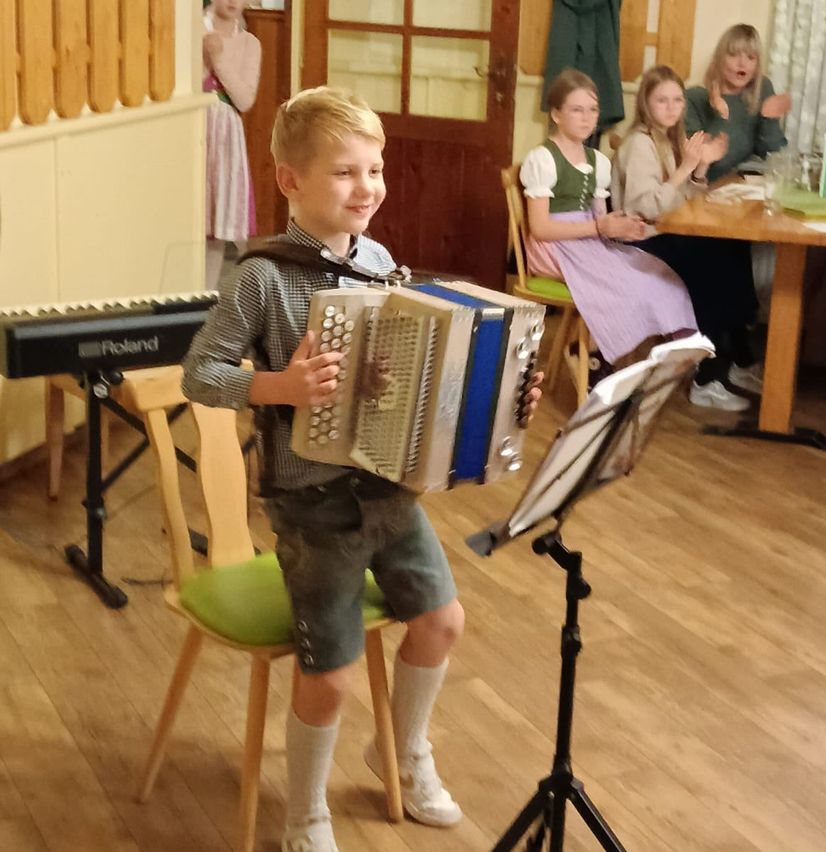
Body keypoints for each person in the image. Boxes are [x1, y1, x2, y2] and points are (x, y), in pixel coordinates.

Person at [182, 86, 542, 852]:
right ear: (289, 181)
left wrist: (505, 389)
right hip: (312, 508)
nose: (367, 187)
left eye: (373, 170)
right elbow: (201, 375)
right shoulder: (260, 276)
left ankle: (403, 750)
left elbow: (405, 371)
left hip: (387, 488)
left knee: (443, 621)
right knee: (331, 675)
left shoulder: (379, 263)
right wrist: (278, 387)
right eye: (345, 172)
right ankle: (304, 810)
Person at [520, 68, 697, 382]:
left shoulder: (596, 160)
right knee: (629, 289)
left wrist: (621, 228)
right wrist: (599, 229)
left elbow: (602, 220)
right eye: (577, 110)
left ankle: (666, 358)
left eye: (593, 110)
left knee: (662, 276)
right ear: (557, 114)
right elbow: (540, 228)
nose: (587, 118)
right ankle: (594, 359)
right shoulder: (543, 159)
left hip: (588, 241)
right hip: (553, 246)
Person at [612, 65, 763, 411]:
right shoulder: (640, 143)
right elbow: (644, 206)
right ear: (646, 105)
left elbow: (681, 202)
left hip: (662, 233)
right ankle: (707, 378)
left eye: (677, 100)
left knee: (732, 246)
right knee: (708, 264)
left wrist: (700, 169)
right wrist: (684, 170)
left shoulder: (669, 139)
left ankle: (738, 356)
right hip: (638, 243)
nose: (671, 107)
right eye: (661, 101)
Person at [203, 0, 261, 290]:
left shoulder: (250, 44)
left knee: (217, 221)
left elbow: (244, 99)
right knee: (194, 213)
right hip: (194, 128)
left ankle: (206, 298)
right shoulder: (194, 33)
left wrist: (218, 57)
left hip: (226, 133)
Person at [686, 23, 790, 181]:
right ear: (719, 59)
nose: (742, 63)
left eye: (751, 57)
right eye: (734, 55)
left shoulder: (761, 89)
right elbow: (707, 164)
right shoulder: (694, 98)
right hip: (700, 191)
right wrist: (720, 113)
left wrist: (770, 119)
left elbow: (773, 156)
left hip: (740, 190)